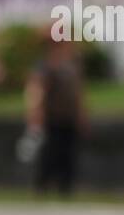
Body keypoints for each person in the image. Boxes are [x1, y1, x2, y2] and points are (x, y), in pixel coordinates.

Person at [24, 33, 88, 195]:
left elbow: (78, 91)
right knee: (50, 153)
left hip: (69, 116)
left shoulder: (73, 63)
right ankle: (42, 185)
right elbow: (37, 89)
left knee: (68, 154)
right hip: (52, 117)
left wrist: (81, 114)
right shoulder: (46, 64)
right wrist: (36, 112)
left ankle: (66, 186)